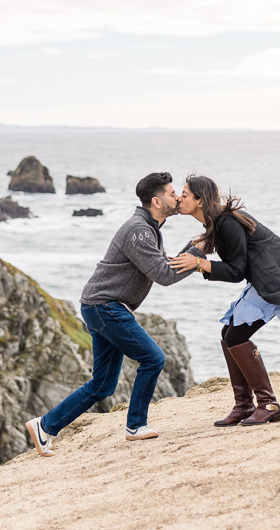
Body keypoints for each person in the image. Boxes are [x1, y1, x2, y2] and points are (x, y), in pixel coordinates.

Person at [25, 172, 202, 456]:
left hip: (100, 306)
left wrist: (194, 248)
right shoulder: (139, 231)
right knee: (153, 358)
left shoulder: (149, 228)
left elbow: (164, 265)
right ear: (156, 201)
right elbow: (165, 276)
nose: (178, 197)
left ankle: (45, 426)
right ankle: (136, 425)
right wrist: (197, 257)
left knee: (103, 385)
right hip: (105, 306)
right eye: (172, 194)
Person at [170, 174, 280, 426]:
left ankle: (269, 404)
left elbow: (236, 272)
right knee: (228, 333)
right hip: (268, 279)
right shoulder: (215, 224)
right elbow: (184, 260)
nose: (179, 198)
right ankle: (244, 405)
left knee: (235, 336)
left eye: (185, 194)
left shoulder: (226, 223)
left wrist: (200, 263)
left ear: (200, 201)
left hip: (279, 280)